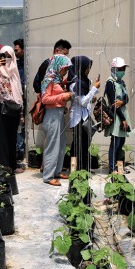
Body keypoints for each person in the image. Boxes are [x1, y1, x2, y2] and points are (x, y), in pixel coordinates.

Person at [0, 45, 24, 173]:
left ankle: (13, 166)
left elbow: (19, 93)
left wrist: (21, 114)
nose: (7, 59)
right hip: (1, 107)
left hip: (13, 107)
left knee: (12, 138)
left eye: (9, 56)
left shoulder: (14, 71)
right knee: (2, 138)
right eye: (4, 56)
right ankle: (4, 167)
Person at [41, 55, 73, 186]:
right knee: (53, 145)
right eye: (64, 69)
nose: (65, 72)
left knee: (61, 144)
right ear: (58, 66)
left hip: (58, 114)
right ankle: (48, 176)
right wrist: (63, 96)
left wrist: (63, 103)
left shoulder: (57, 79)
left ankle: (57, 171)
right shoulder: (49, 79)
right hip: (52, 115)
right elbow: (45, 99)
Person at [69, 56, 100, 171]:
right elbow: (82, 101)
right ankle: (76, 168)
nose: (88, 70)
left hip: (84, 116)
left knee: (85, 143)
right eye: (87, 67)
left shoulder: (84, 81)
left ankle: (83, 167)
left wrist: (92, 97)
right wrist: (94, 89)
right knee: (78, 144)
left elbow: (85, 99)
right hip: (78, 118)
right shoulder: (75, 83)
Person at [105, 57, 131, 173]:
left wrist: (123, 102)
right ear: (114, 69)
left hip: (123, 114)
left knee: (121, 142)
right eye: (120, 68)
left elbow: (127, 98)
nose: (123, 71)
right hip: (117, 116)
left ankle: (118, 165)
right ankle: (112, 168)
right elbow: (113, 103)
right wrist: (123, 119)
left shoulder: (121, 82)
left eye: (124, 68)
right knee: (115, 142)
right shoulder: (110, 83)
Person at [13, 39, 26, 163]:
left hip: (26, 97)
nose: (15, 52)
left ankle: (21, 151)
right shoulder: (16, 65)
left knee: (23, 125)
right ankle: (20, 152)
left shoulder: (27, 64)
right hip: (19, 98)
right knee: (20, 126)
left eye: (17, 50)